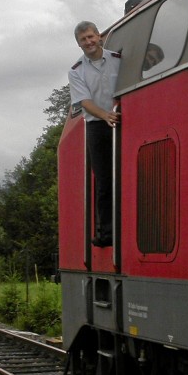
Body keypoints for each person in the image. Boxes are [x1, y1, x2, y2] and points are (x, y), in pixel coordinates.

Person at [68, 21, 121, 247]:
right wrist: (105, 115)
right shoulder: (76, 71)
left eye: (91, 37)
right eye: (83, 40)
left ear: (99, 36)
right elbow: (85, 102)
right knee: (103, 180)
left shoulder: (119, 60)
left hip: (124, 121)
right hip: (97, 127)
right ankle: (106, 234)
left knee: (125, 175)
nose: (88, 42)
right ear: (78, 44)